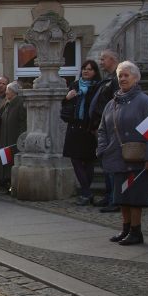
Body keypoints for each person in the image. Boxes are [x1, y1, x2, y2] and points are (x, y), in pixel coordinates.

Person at [95, 61, 148, 245]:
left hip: (137, 158)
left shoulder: (144, 101)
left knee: (135, 197)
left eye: (126, 75)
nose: (122, 79)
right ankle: (125, 228)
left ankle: (136, 231)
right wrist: (102, 149)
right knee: (122, 196)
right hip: (116, 157)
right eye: (120, 75)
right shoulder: (111, 104)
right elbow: (102, 129)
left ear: (135, 78)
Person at [62, 59, 101, 205]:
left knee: (89, 161)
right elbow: (65, 105)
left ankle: (86, 192)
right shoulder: (75, 85)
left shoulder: (98, 87)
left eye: (90, 69)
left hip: (89, 127)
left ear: (95, 72)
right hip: (74, 127)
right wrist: (67, 98)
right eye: (84, 68)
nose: (86, 71)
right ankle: (87, 191)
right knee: (75, 159)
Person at [90, 50, 121, 213]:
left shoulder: (117, 79)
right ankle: (109, 195)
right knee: (106, 164)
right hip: (102, 127)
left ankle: (115, 198)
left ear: (112, 59)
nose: (100, 62)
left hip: (111, 128)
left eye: (103, 59)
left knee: (111, 165)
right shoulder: (109, 79)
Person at [0, 82, 26, 191]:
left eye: (8, 90)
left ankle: (11, 183)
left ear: (13, 92)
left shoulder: (20, 103)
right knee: (5, 160)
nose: (6, 92)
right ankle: (5, 181)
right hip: (4, 138)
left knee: (11, 161)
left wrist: (21, 138)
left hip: (14, 139)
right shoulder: (7, 103)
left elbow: (23, 123)